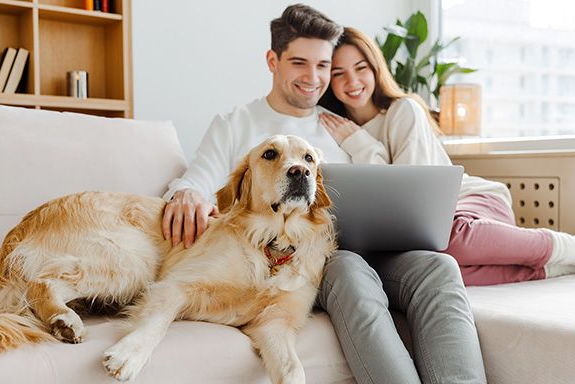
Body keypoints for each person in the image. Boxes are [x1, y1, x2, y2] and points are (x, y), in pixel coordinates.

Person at [162, 5, 487, 384]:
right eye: (300, 63)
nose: (313, 78)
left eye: (322, 66)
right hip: (311, 261)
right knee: (349, 269)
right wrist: (185, 193)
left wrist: (363, 144)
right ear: (273, 60)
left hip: (373, 249)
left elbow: (387, 191)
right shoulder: (237, 124)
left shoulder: (340, 123)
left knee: (440, 267)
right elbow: (197, 181)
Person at [317, 27, 575, 286]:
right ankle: (549, 268)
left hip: (470, 206)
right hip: (428, 231)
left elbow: (411, 203)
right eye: (338, 72)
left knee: (447, 241)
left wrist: (362, 144)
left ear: (376, 68)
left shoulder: (402, 111)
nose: (352, 80)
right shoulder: (330, 129)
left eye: (361, 67)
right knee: (434, 270)